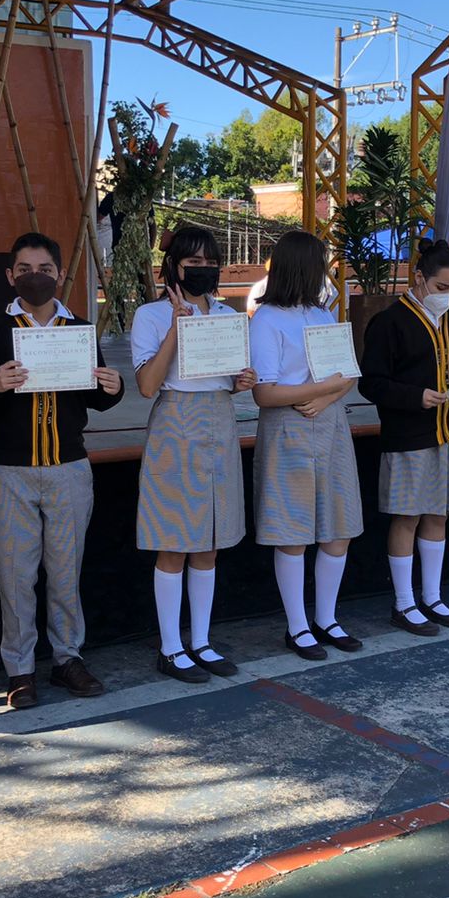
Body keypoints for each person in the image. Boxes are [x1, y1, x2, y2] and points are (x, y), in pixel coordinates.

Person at [0, 232, 124, 708]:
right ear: (10, 275)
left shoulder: (79, 329)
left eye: (45, 269)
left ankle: (67, 658)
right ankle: (19, 669)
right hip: (9, 471)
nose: (35, 277)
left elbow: (96, 398)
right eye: (25, 270)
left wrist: (113, 387)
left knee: (65, 572)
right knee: (15, 576)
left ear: (60, 274)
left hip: (68, 467)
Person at [131, 224, 257, 683]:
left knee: (210, 541)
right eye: (193, 262)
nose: (203, 270)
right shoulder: (149, 315)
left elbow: (229, 378)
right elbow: (147, 385)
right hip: (175, 421)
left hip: (219, 420)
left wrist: (241, 381)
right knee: (175, 540)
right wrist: (176, 329)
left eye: (210, 262)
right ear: (174, 266)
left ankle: (201, 640)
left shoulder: (226, 314)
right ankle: (170, 646)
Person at [360, 238, 449, 636]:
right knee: (407, 516)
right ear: (419, 278)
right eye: (440, 287)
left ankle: (432, 596)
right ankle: (404, 602)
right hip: (409, 434)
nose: (446, 296)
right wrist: (414, 396)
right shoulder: (389, 321)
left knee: (439, 514)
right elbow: (371, 383)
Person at [249, 231, 364, 659]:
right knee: (292, 531)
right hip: (288, 427)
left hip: (329, 423)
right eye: (320, 265)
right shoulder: (266, 319)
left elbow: (347, 374)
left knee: (338, 528)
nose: (325, 274)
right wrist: (319, 391)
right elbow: (265, 393)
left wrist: (326, 397)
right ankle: (297, 626)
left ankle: (326, 618)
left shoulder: (321, 314)